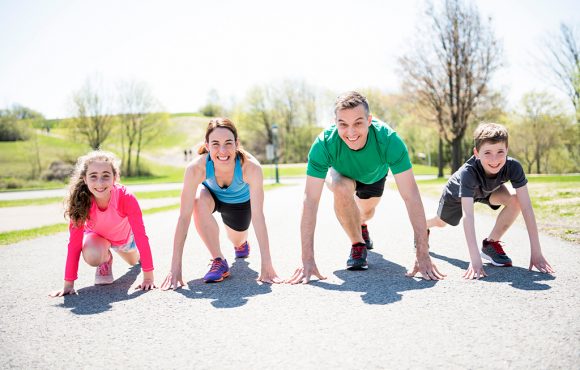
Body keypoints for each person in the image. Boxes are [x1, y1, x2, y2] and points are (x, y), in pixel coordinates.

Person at [287, 91, 444, 284]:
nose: (351, 132)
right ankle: (358, 243)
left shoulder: (389, 140)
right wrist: (307, 259)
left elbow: (411, 195)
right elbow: (310, 200)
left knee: (366, 213)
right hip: (342, 174)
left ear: (369, 120)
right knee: (339, 186)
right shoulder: (324, 144)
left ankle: (361, 224)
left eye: (358, 123)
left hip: (373, 178)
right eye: (343, 124)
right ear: (335, 122)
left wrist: (423, 253)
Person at [161, 118, 281, 288]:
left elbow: (258, 216)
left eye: (228, 143)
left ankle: (241, 245)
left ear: (237, 144)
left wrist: (267, 264)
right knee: (197, 200)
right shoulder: (196, 168)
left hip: (239, 204)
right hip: (211, 196)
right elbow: (184, 217)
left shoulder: (250, 168)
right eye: (215, 144)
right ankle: (218, 260)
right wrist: (175, 268)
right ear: (207, 145)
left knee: (237, 240)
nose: (222, 150)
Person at [425, 122, 554, 279]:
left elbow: (527, 207)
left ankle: (490, 244)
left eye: (500, 151)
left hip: (488, 190)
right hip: (457, 195)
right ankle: (422, 227)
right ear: (476, 153)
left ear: (507, 150)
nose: (494, 159)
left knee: (516, 200)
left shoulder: (513, 167)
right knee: (441, 222)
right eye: (487, 153)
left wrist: (536, 252)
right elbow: (468, 215)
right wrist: (474, 259)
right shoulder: (468, 172)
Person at [49, 150, 155, 297]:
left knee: (133, 262)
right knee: (92, 254)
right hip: (97, 239)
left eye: (106, 176)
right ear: (85, 179)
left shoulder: (126, 198)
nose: (99, 183)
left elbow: (141, 235)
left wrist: (148, 277)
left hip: (124, 240)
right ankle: (106, 259)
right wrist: (68, 285)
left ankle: (137, 256)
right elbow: (74, 244)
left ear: (115, 178)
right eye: (93, 176)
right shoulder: (80, 202)